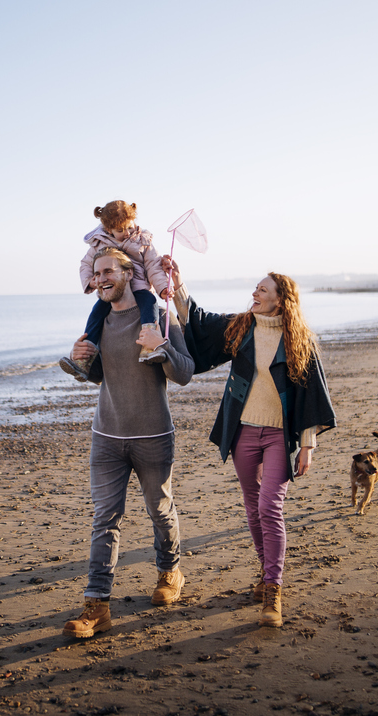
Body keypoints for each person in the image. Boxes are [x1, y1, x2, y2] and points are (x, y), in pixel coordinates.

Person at [165, 257, 335, 628]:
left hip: (277, 436)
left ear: (281, 300)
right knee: (253, 505)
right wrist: (177, 283)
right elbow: (200, 320)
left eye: (262, 289)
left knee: (270, 507)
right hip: (242, 432)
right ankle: (264, 570)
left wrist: (307, 445)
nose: (254, 293)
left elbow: (310, 394)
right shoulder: (240, 327)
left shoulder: (297, 339)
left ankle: (273, 588)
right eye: (255, 288)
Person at [62, 248, 194, 638]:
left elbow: (184, 373)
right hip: (106, 435)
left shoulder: (158, 316)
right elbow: (102, 376)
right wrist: (81, 359)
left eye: (108, 271)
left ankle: (170, 573)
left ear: (127, 272)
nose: (100, 278)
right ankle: (96, 604)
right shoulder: (99, 321)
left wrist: (162, 345)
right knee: (105, 518)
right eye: (96, 272)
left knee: (159, 509)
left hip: (153, 435)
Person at [60, 200, 172, 382]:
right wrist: (91, 282)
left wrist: (163, 288)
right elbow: (86, 265)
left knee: (150, 304)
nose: (127, 233)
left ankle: (149, 347)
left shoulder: (142, 240)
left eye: (129, 227)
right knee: (96, 313)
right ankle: (84, 358)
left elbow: (153, 265)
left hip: (140, 287)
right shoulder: (99, 243)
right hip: (111, 292)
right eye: (121, 231)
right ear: (108, 229)